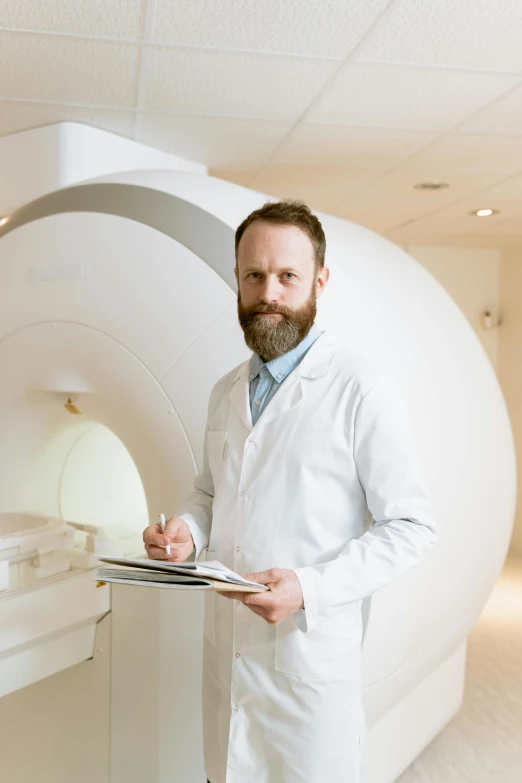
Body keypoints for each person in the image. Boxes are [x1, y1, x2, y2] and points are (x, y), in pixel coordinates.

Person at [143, 200, 438, 783]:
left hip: (308, 675)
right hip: (230, 666)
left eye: (287, 276)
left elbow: (412, 527)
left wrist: (309, 587)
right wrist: (186, 531)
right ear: (237, 279)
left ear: (319, 282)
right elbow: (211, 491)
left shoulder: (359, 388)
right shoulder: (225, 390)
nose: (269, 292)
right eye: (254, 275)